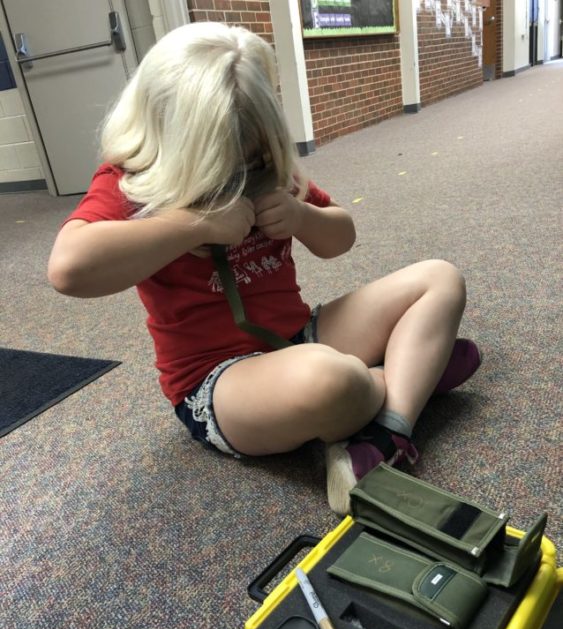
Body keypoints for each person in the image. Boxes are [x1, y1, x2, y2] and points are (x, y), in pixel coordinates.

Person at [48, 22, 480, 515]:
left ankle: (388, 431)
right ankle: (409, 378)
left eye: (250, 158)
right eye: (223, 163)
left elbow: (341, 238)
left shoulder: (267, 167)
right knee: (331, 380)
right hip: (220, 383)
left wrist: (301, 216)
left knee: (439, 278)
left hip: (299, 337)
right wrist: (193, 225)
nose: (241, 171)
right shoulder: (133, 180)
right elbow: (69, 269)